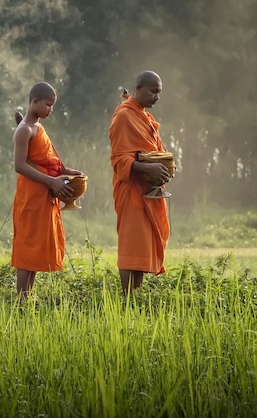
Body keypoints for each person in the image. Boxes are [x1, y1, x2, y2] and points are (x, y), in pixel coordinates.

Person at [11, 82, 83, 299]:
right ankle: (22, 302)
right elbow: (20, 165)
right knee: (27, 248)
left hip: (44, 195)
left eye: (52, 106)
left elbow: (51, 160)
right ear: (34, 102)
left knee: (36, 248)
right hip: (31, 196)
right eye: (48, 105)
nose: (50, 110)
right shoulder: (24, 129)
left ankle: (28, 298)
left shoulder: (39, 128)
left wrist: (68, 171)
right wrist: (52, 182)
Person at [109, 70, 171, 295]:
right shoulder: (124, 116)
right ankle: (126, 299)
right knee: (131, 247)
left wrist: (165, 167)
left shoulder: (144, 117)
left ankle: (135, 297)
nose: (157, 97)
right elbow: (119, 159)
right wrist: (146, 168)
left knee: (143, 246)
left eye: (159, 92)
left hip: (149, 190)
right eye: (153, 91)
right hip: (131, 190)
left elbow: (152, 151)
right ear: (138, 88)